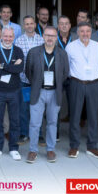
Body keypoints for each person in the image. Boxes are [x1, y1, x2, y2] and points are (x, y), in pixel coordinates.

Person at [25, 26, 69, 163]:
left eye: (53, 36)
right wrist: (37, 83)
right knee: (34, 123)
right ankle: (33, 150)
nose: (50, 38)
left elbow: (65, 73)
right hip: (38, 92)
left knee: (52, 122)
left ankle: (50, 149)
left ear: (56, 38)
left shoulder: (62, 54)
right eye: (48, 35)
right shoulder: (33, 52)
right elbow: (28, 72)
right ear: (43, 36)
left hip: (55, 93)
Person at [65, 22, 98, 159]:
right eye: (82, 31)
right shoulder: (70, 47)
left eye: (88, 31)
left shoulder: (97, 46)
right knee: (75, 116)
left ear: (91, 32)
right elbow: (67, 66)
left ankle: (92, 146)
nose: (85, 34)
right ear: (77, 33)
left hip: (93, 84)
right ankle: (74, 146)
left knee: (93, 116)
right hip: (76, 83)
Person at [0, 27, 24, 161]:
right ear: (2, 36)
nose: (8, 39)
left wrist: (2, 65)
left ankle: (14, 148)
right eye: (6, 36)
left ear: (13, 37)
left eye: (10, 36)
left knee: (15, 121)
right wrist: (12, 67)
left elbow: (19, 69)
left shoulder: (18, 51)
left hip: (15, 91)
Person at [15, 16, 44, 144]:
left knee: (39, 109)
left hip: (39, 81)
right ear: (24, 26)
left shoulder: (41, 40)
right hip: (24, 80)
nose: (29, 26)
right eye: (26, 24)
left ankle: (39, 134)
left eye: (31, 23)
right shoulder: (18, 41)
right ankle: (24, 133)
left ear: (35, 24)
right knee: (24, 109)